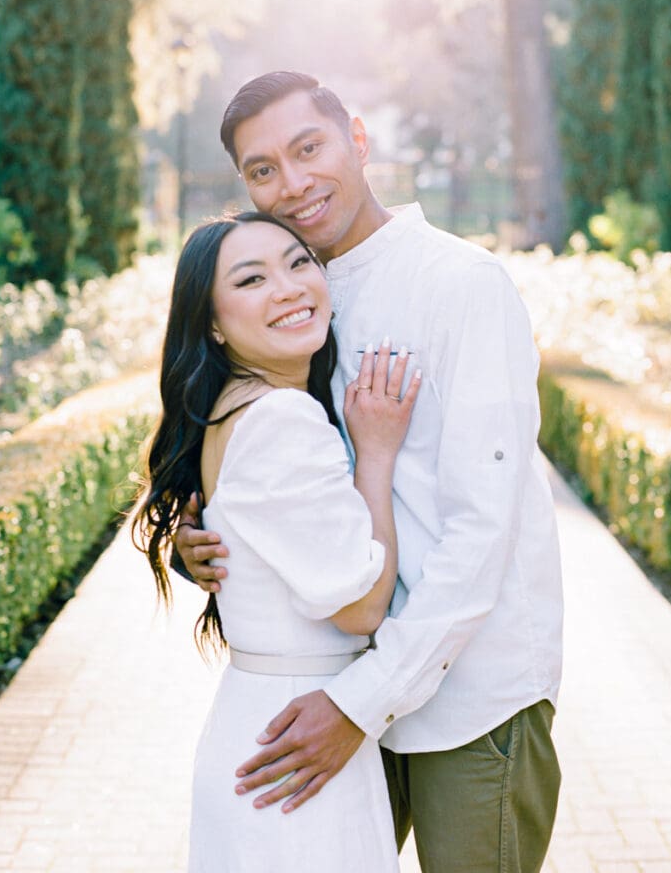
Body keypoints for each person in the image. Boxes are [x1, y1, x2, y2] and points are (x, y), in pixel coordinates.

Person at [175, 71, 564, 873]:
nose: (292, 184)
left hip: (463, 697)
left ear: (357, 138)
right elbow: (260, 457)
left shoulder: (460, 285)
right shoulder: (298, 292)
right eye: (262, 169)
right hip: (341, 697)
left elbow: (483, 529)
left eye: (308, 148)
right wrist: (206, 537)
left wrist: (364, 700)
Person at [131, 212, 420, 872]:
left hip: (266, 727)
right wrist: (374, 454)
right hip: (301, 741)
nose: (289, 287)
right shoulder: (283, 418)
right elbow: (360, 608)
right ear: (211, 321)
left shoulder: (231, 408)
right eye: (252, 279)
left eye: (298, 262)